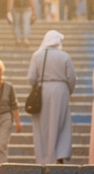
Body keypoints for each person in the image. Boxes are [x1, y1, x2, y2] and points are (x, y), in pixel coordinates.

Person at [27, 30, 76, 165]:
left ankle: (44, 158)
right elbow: (71, 78)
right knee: (61, 124)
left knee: (42, 125)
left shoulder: (37, 56)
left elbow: (31, 78)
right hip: (61, 90)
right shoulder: (65, 56)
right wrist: (67, 91)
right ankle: (59, 156)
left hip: (42, 90)